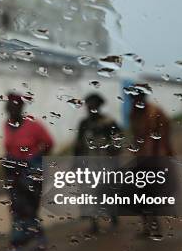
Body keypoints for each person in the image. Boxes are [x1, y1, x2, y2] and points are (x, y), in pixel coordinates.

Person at [2, 92, 54, 251]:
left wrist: (35, 159)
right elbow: (9, 149)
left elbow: (49, 143)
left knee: (30, 208)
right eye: (9, 106)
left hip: (32, 174)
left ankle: (29, 241)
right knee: (18, 209)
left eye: (15, 105)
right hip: (14, 174)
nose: (11, 109)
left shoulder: (34, 125)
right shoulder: (6, 125)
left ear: (21, 108)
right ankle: (21, 243)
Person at [129, 91, 176, 238]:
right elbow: (136, 137)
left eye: (138, 97)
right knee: (140, 195)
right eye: (134, 97)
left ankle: (154, 227)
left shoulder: (155, 112)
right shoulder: (133, 114)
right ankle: (146, 227)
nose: (136, 100)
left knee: (152, 194)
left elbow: (165, 134)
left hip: (156, 160)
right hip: (140, 159)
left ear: (143, 97)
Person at [74, 93, 121, 234]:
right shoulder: (84, 124)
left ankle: (113, 215)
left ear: (99, 106)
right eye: (88, 105)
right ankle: (94, 223)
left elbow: (117, 142)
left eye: (93, 105)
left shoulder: (109, 122)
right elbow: (78, 145)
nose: (90, 108)